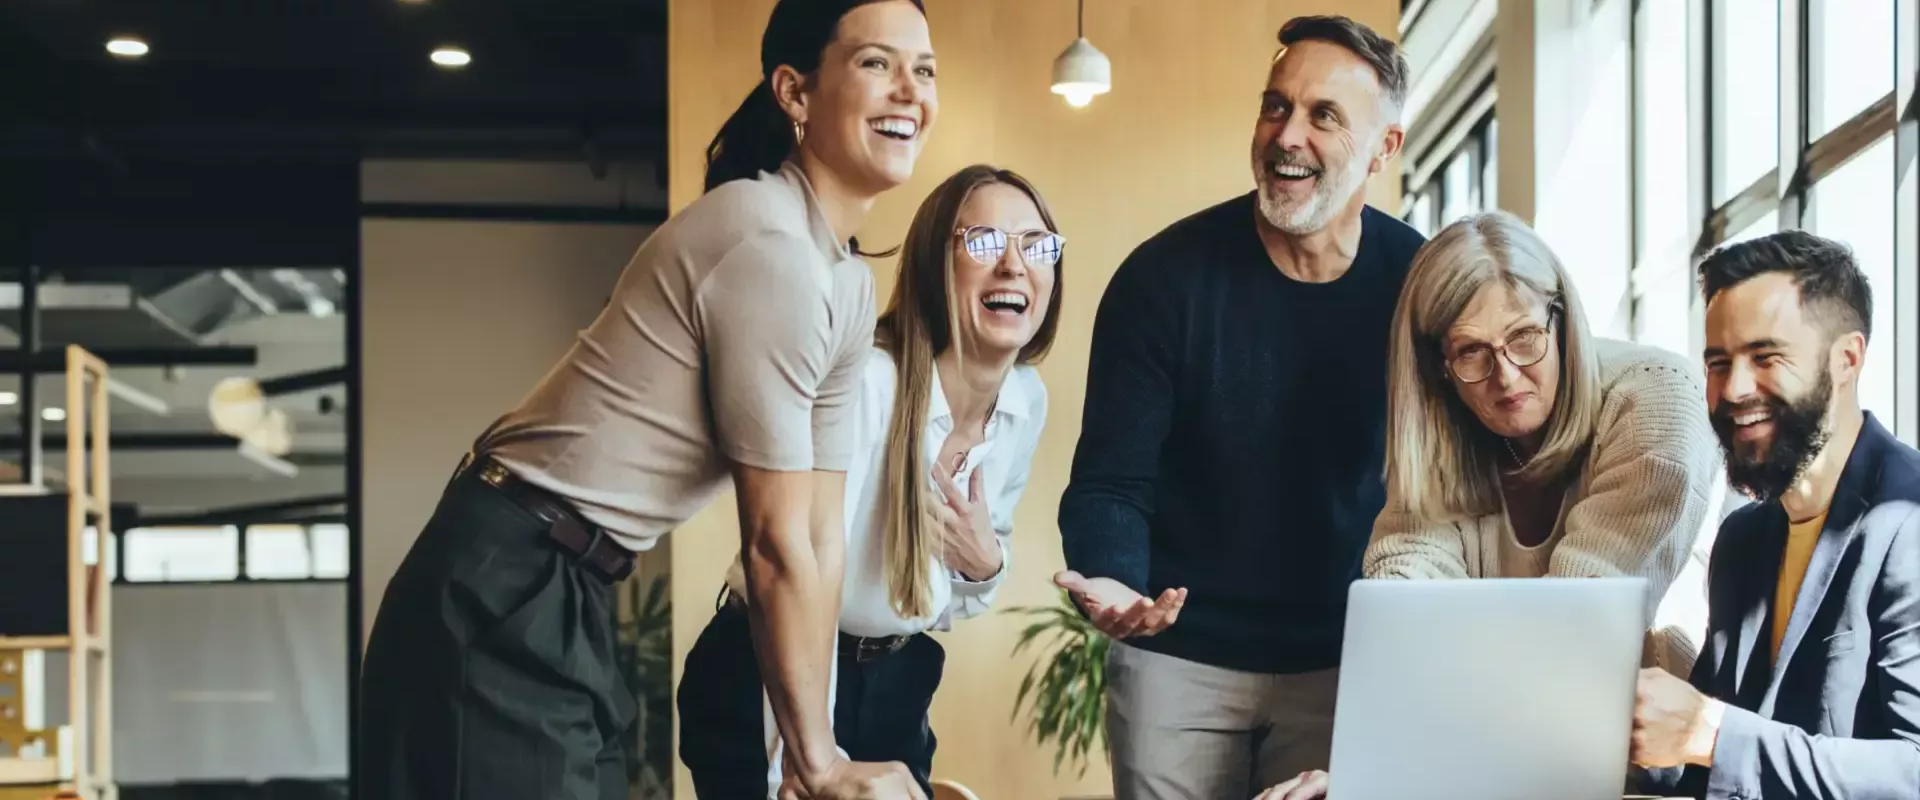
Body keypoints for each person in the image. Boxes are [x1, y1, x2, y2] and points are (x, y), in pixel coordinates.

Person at [354, 1, 938, 798]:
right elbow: (770, 547)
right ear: (795, 92)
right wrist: (817, 764)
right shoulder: (766, 243)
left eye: (925, 70)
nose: (910, 90)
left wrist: (815, 750)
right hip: (504, 576)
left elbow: (816, 538)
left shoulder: (842, 280)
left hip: (569, 581)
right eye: (877, 63)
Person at [1055, 14, 1425, 798]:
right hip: (1178, 660)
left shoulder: (1422, 283)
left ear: (1384, 150)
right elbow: (1110, 483)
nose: (1287, 134)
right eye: (1275, 106)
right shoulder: (1162, 279)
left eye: (1324, 115)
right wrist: (1116, 580)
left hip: (1345, 658)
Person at [1250, 210, 1726, 800]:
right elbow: (1408, 608)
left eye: (1525, 337)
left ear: (1562, 319)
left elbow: (1569, 637)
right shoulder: (1442, 432)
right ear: (1439, 368)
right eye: (1471, 353)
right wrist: (1369, 774)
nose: (1505, 376)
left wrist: (1398, 774)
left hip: (1643, 762)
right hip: (1490, 752)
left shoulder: (1658, 403)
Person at [679, 164, 1061, 798]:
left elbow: (944, 601)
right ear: (937, 266)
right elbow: (797, 585)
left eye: (1037, 245)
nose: (1014, 265)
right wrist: (797, 767)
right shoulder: (872, 387)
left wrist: (984, 566)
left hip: (895, 678)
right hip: (771, 672)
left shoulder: (1025, 400)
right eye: (986, 242)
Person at [1629, 230, 1920, 799]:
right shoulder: (1742, 537)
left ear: (1847, 360)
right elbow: (1706, 761)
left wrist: (1710, 732)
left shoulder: (1908, 522)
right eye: (1718, 363)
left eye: (1766, 357)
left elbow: (1914, 770)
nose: (1735, 389)